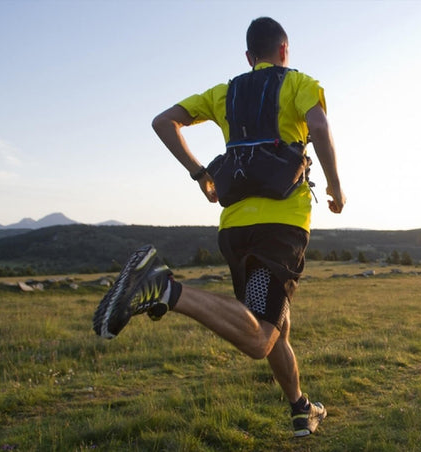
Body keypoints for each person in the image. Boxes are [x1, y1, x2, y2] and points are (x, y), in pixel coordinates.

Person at [92, 16, 345, 438]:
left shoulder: (224, 92)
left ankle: (302, 408)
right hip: (280, 226)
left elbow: (163, 121)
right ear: (285, 50)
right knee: (259, 336)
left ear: (249, 57)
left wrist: (199, 174)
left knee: (277, 325)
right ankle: (164, 287)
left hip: (234, 229)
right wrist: (336, 189)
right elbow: (318, 126)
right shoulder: (300, 82)